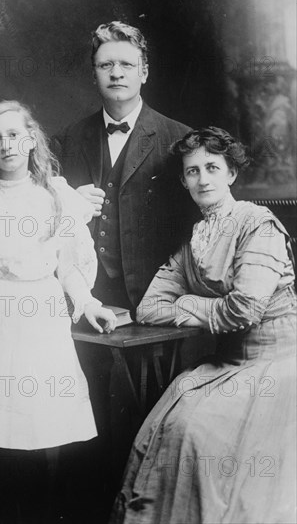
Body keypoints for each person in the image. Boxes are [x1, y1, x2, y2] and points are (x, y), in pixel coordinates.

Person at [0, 100, 116, 524]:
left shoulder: (57, 196)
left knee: (34, 443)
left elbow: (67, 266)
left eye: (15, 134)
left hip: (40, 327)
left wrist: (87, 303)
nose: (7, 145)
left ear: (32, 139)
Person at [111, 127, 296, 524]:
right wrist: (200, 306)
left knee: (198, 432)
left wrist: (191, 302)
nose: (202, 178)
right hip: (228, 362)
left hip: (280, 361)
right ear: (183, 180)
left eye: (212, 167)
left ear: (231, 174)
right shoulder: (195, 238)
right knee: (174, 424)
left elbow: (245, 308)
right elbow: (149, 307)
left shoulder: (256, 225)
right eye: (192, 171)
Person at [54, 23, 192, 518]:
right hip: (86, 300)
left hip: (155, 302)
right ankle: (92, 508)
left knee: (151, 414)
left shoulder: (177, 139)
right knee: (85, 409)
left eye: (126, 65)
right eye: (106, 65)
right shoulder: (69, 139)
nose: (116, 73)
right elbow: (48, 223)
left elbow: (196, 226)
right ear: (94, 74)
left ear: (145, 73)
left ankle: (144, 511)